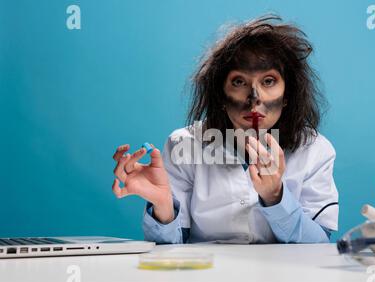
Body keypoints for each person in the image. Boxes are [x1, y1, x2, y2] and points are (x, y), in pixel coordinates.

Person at [112, 15, 339, 244]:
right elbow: (170, 252)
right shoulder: (184, 145)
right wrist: (163, 206)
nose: (254, 98)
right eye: (239, 82)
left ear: (288, 94)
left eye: (268, 81)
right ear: (220, 94)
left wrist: (275, 197)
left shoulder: (315, 150)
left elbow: (319, 246)